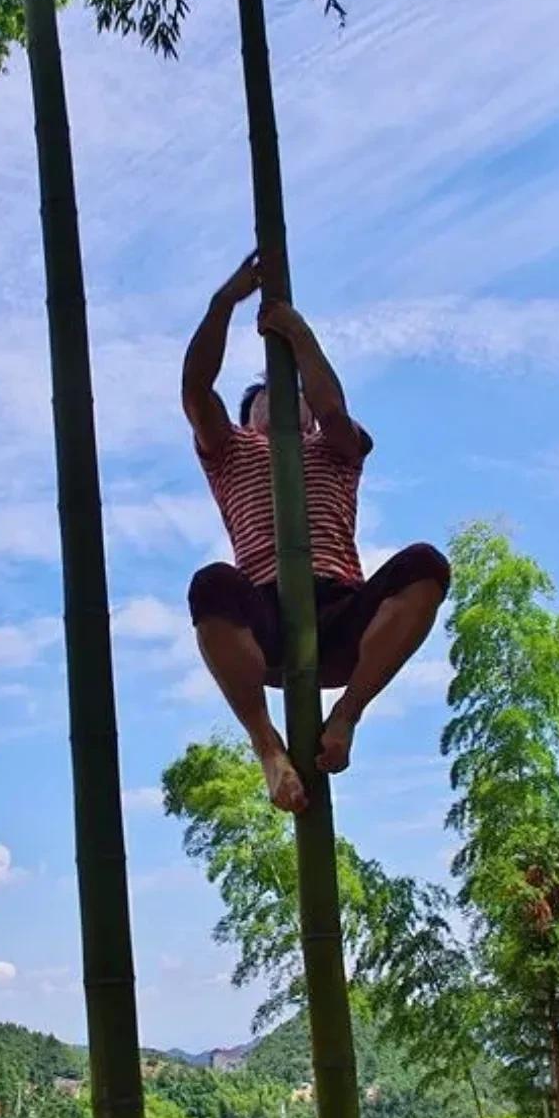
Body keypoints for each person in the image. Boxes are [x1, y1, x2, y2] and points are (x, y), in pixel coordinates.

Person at [182, 249, 452, 814]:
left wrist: (297, 332)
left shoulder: (335, 448)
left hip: (340, 615)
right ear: (247, 417)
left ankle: (347, 716)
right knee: (211, 584)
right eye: (266, 402)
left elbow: (333, 411)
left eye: (294, 399)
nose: (284, 406)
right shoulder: (230, 451)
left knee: (426, 564)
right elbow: (195, 389)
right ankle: (266, 747)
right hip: (267, 619)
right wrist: (223, 302)